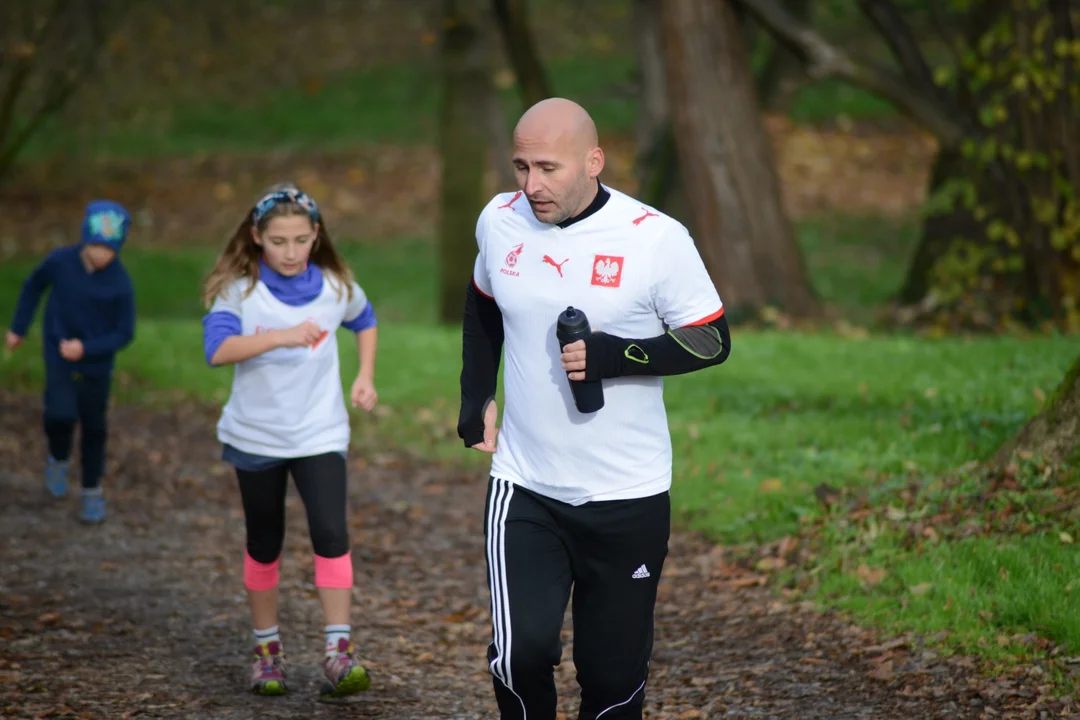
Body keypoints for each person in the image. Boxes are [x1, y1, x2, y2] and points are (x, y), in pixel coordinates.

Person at [457, 98, 732, 720]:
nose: (532, 186)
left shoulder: (656, 238)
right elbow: (482, 304)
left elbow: (710, 339)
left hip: (628, 492)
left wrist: (614, 355)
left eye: (549, 168)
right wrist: (477, 394)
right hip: (525, 484)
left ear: (593, 161)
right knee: (517, 655)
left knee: (610, 678)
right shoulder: (499, 220)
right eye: (521, 167)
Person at [200, 182, 379, 699]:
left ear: (315, 235)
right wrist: (281, 335)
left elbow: (364, 319)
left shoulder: (335, 286)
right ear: (257, 237)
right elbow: (218, 350)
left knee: (331, 533)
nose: (290, 251)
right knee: (265, 542)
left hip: (320, 432)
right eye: (278, 241)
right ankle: (267, 653)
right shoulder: (239, 290)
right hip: (256, 437)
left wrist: (364, 375)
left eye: (301, 240)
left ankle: (338, 655)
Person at [6, 200, 136, 524]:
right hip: (58, 354)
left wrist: (88, 348)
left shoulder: (120, 283)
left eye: (109, 250)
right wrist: (19, 327)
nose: (101, 255)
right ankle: (58, 457)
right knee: (60, 414)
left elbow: (124, 332)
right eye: (95, 246)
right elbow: (33, 286)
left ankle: (91, 489)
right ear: (84, 240)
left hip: (96, 364)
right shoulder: (60, 263)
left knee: (94, 426)